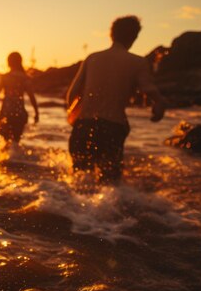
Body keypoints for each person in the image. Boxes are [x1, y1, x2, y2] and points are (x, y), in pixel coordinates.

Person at [66, 15, 166, 184]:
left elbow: (72, 94)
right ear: (134, 37)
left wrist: (76, 119)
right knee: (109, 185)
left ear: (111, 34)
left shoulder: (92, 58)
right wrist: (160, 104)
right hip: (112, 128)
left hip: (84, 126)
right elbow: (148, 89)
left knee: (80, 182)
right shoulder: (137, 62)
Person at [0, 52, 39, 147]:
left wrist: (5, 100)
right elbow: (32, 97)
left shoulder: (4, 77)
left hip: (6, 112)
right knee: (16, 141)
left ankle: (5, 159)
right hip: (20, 113)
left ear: (9, 62)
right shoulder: (25, 78)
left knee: (5, 140)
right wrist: (36, 113)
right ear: (20, 62)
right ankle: (16, 158)